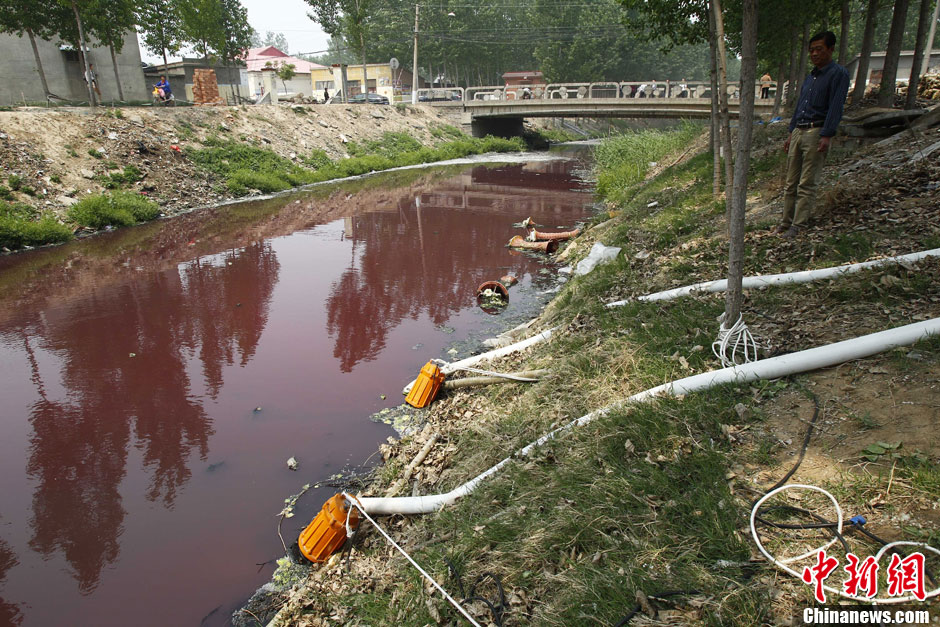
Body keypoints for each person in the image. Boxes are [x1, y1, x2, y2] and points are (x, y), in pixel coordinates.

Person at [778, 31, 849, 239]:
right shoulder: (811, 77)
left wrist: (827, 134)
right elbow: (800, 106)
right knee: (791, 182)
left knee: (807, 182)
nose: (815, 54)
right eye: (811, 50)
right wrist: (791, 132)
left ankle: (798, 225)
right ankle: (785, 222)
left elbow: (836, 106)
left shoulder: (838, 74)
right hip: (799, 130)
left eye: (819, 49)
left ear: (831, 49)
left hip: (816, 131)